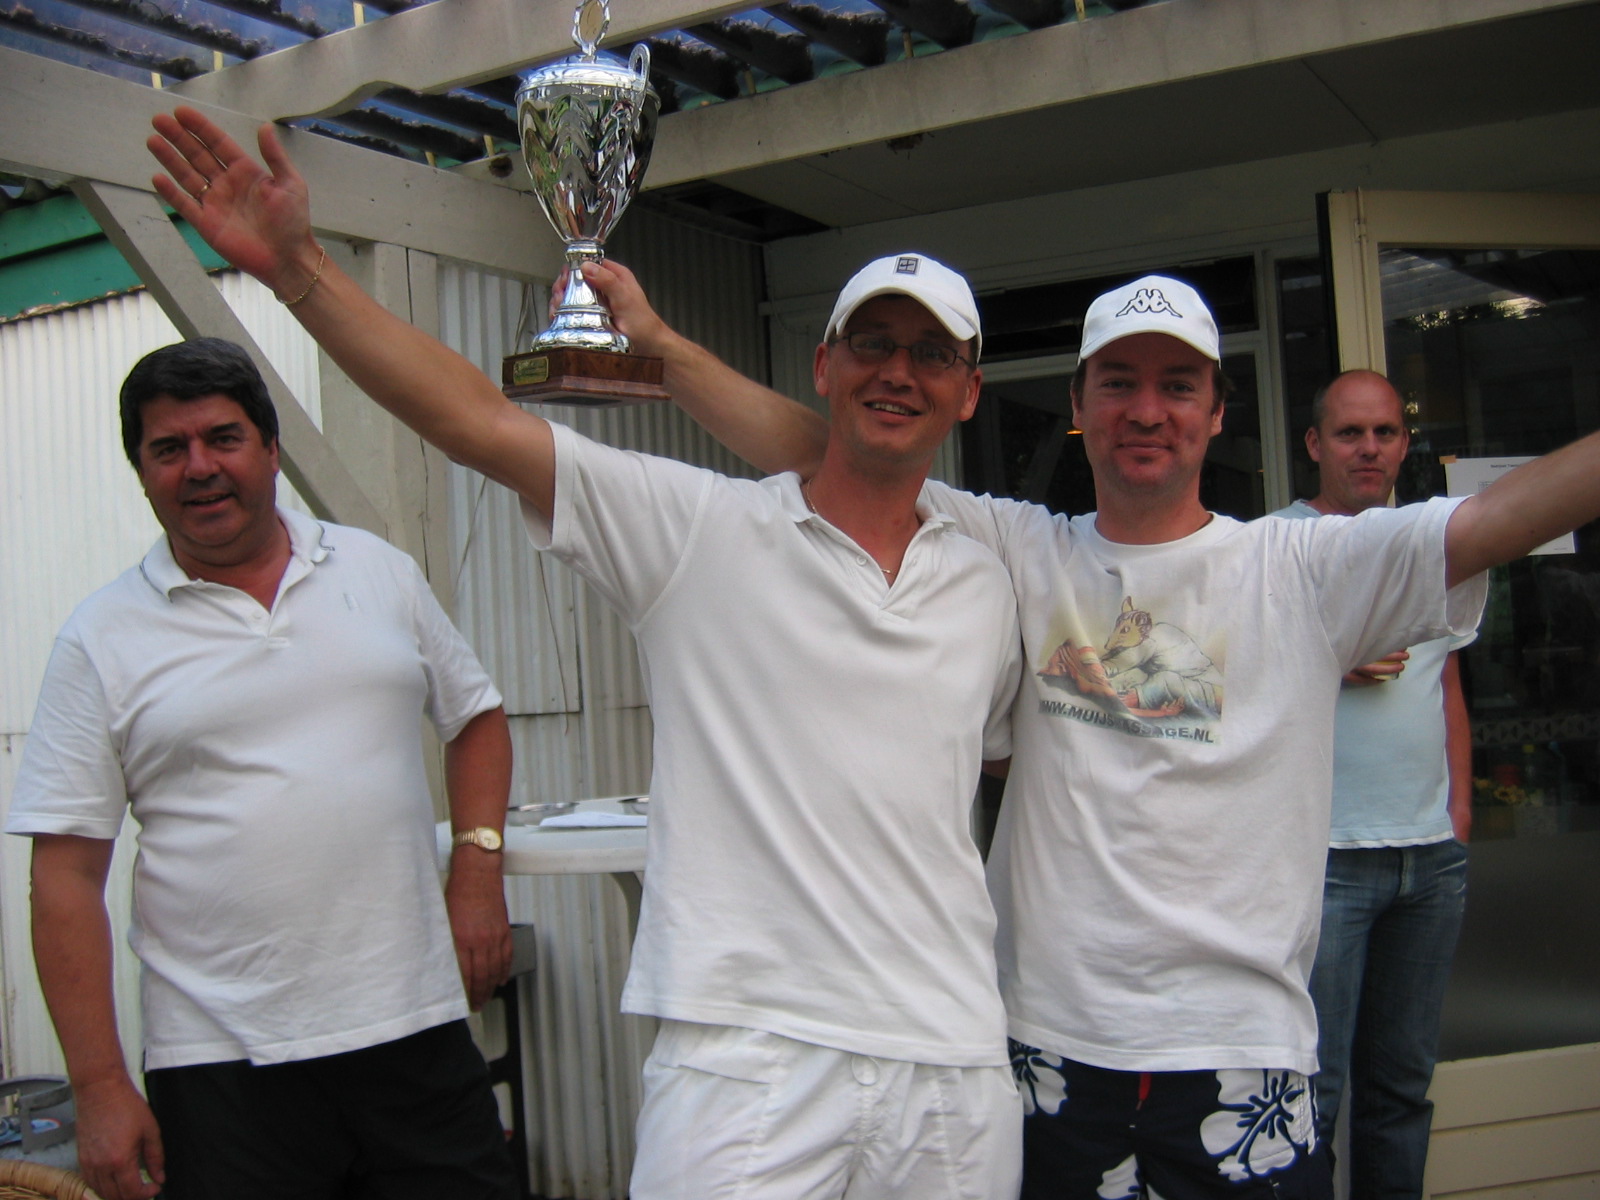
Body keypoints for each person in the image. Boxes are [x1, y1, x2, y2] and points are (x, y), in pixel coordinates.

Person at [565, 265, 1600, 1197]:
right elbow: (829, 447)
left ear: (1215, 411)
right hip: (1044, 1049)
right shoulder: (1019, 548)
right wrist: (662, 349)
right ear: (1078, 405)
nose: (1146, 410)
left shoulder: (1301, 570)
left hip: (1237, 1054)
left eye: (1177, 385)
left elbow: (1498, 520)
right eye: (1118, 382)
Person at [147, 107, 1027, 1199]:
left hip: (950, 1058)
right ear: (824, 363)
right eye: (873, 345)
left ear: (968, 390)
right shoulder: (698, 532)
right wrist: (299, 271)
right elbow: (479, 422)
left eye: (932, 354)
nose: (899, 371)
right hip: (745, 1053)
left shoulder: (994, 572)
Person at [6, 338, 518, 1200]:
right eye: (169, 449)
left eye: (223, 438)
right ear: (142, 472)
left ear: (272, 448)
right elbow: (64, 876)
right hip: (221, 1063)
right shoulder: (99, 638)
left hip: (414, 1024)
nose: (200, 467)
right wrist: (97, 1087)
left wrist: (476, 871)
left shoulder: (378, 573)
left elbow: (475, 718)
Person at [1272, 370, 1474, 1197]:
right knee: (1311, 1094)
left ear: (1404, 445)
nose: (1369, 449)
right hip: (1325, 862)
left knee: (1400, 1092)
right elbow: (1225, 689)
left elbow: (1447, 684)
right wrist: (1325, 659)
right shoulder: (1271, 546)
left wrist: (1459, 813)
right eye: (1349, 433)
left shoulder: (1432, 544)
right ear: (1314, 444)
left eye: (1385, 433)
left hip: (1430, 861)